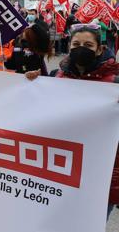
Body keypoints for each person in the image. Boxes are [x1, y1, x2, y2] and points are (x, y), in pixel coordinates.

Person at [29, 24, 119, 219]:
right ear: (69, 46)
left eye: (88, 44)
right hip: (63, 169)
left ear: (100, 49)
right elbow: (39, 114)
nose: (81, 49)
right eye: (76, 44)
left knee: (91, 222)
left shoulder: (115, 83)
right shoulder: (56, 77)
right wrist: (31, 85)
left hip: (100, 174)